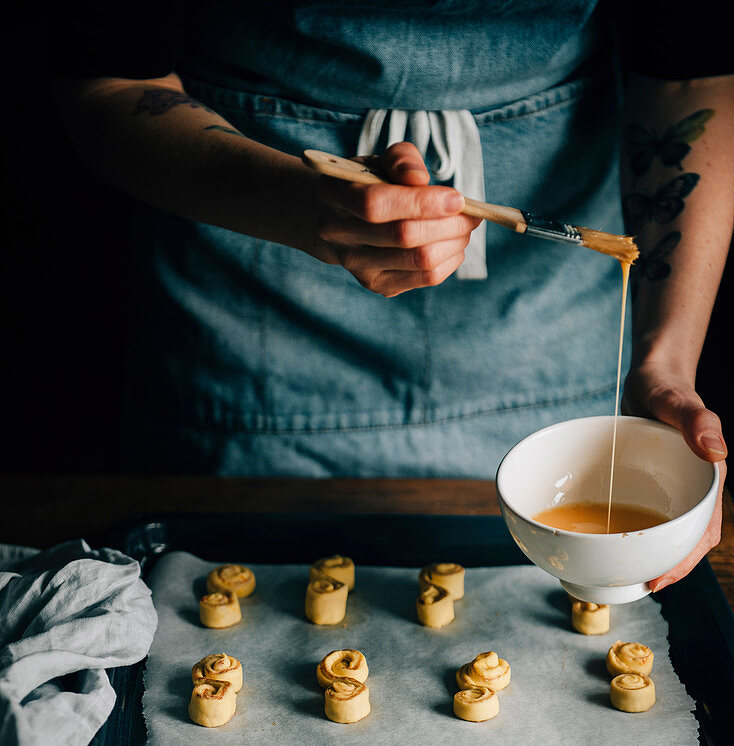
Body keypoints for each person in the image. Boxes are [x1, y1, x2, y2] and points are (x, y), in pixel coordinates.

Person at [52, 2, 731, 591]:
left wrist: (665, 361)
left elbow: (695, 73)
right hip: (247, 331)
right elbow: (109, 76)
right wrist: (296, 202)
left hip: (551, 329)